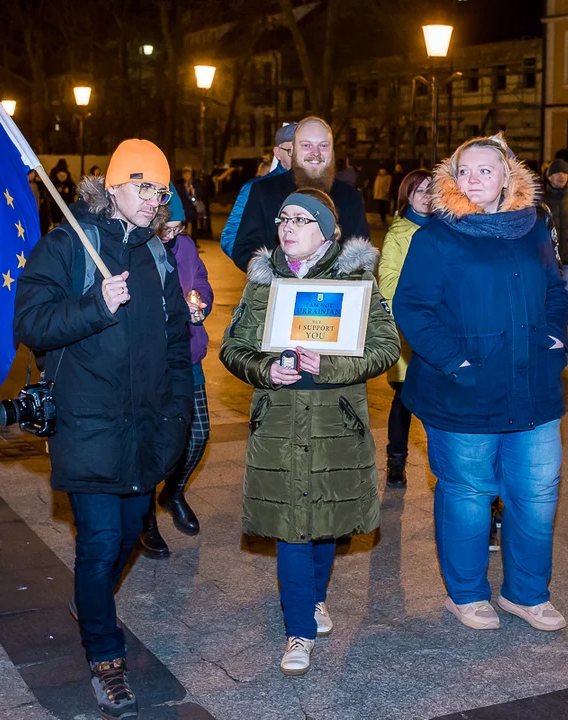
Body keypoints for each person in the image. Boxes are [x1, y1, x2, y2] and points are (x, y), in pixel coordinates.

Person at [14, 139, 192, 720]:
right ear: (113, 186)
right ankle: (106, 658)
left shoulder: (157, 256)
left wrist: (177, 416)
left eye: (161, 190)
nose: (153, 200)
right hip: (88, 423)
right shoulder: (68, 244)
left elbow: (173, 345)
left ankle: (87, 605)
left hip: (144, 427)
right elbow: (32, 323)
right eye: (143, 187)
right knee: (97, 544)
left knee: (123, 539)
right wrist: (94, 303)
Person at [393, 134, 568, 634]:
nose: (472, 179)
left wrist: (556, 338)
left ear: (508, 177)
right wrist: (457, 364)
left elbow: (555, 290)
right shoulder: (437, 235)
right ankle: (466, 594)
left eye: (484, 170)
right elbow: (412, 308)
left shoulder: (534, 229)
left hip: (533, 389)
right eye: (463, 171)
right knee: (468, 493)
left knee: (536, 492)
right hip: (463, 393)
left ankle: (527, 594)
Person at [219, 188, 399, 676]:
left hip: (334, 424)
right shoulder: (263, 281)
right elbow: (232, 349)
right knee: (291, 529)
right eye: (283, 217)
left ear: (329, 230)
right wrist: (264, 370)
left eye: (301, 219)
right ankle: (298, 629)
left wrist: (333, 365)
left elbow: (385, 348)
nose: (288, 226)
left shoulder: (356, 279)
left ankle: (316, 599)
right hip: (277, 424)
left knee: (325, 523)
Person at [138, 190, 214, 559]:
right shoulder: (137, 249)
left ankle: (173, 491)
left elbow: (201, 284)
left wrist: (199, 302)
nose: (171, 234)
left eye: (177, 227)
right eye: (164, 227)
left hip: (188, 354)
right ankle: (146, 517)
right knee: (152, 441)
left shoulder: (185, 247)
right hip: (152, 360)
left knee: (197, 434)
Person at [231, 117, 370, 272]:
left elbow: (361, 251)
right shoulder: (263, 191)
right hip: (276, 292)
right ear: (294, 150)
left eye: (323, 145)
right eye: (306, 145)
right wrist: (281, 272)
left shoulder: (351, 197)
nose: (315, 153)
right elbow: (243, 249)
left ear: (332, 152)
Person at [377, 168, 431, 487]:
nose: (425, 195)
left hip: (439, 328)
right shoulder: (399, 233)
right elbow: (388, 280)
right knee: (404, 399)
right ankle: (396, 459)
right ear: (406, 196)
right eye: (418, 190)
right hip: (408, 329)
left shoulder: (445, 229)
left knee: (438, 400)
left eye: (430, 189)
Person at [220, 122, 297, 260]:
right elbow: (230, 238)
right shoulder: (256, 187)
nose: (297, 156)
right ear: (277, 153)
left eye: (302, 149)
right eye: (291, 151)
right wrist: (262, 268)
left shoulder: (317, 186)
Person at [542, 158, 568, 307]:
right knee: (546, 299)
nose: (561, 176)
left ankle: (563, 329)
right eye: (557, 173)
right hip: (546, 260)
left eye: (564, 173)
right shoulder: (540, 202)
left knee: (566, 301)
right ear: (549, 176)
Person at [174, 166, 205, 238]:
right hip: (184, 209)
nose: (187, 176)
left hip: (193, 208)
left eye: (188, 174)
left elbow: (200, 194)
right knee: (184, 227)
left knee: (194, 227)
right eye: (185, 174)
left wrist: (193, 191)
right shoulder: (179, 186)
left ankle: (193, 242)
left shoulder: (195, 184)